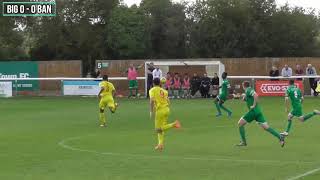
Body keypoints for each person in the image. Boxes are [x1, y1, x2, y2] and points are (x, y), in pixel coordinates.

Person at [236, 81, 285, 147]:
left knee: (240, 123)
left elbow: (256, 95)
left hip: (252, 112)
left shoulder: (248, 90)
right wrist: (245, 99)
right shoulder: (249, 90)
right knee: (266, 127)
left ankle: (244, 142)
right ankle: (280, 137)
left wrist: (253, 105)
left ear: (244, 86)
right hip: (258, 112)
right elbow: (250, 98)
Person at [149, 78, 181, 151]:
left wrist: (151, 111)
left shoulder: (152, 90)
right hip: (167, 109)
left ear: (153, 84)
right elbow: (169, 102)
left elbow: (151, 101)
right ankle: (160, 144)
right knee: (161, 129)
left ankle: (174, 124)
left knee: (158, 129)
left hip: (160, 111)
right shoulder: (164, 91)